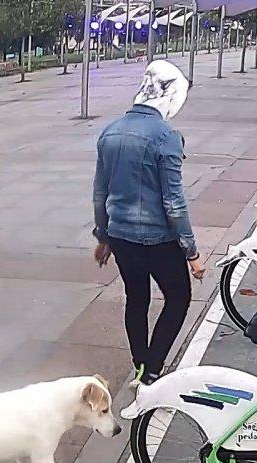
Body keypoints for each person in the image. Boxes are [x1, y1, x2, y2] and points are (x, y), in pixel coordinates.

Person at [92, 60, 205, 391]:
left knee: (136, 298)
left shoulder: (109, 132)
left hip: (121, 236)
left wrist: (103, 236)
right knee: (178, 297)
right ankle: (153, 369)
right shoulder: (166, 136)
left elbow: (100, 191)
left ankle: (140, 365)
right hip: (158, 239)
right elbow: (173, 203)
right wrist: (192, 253)